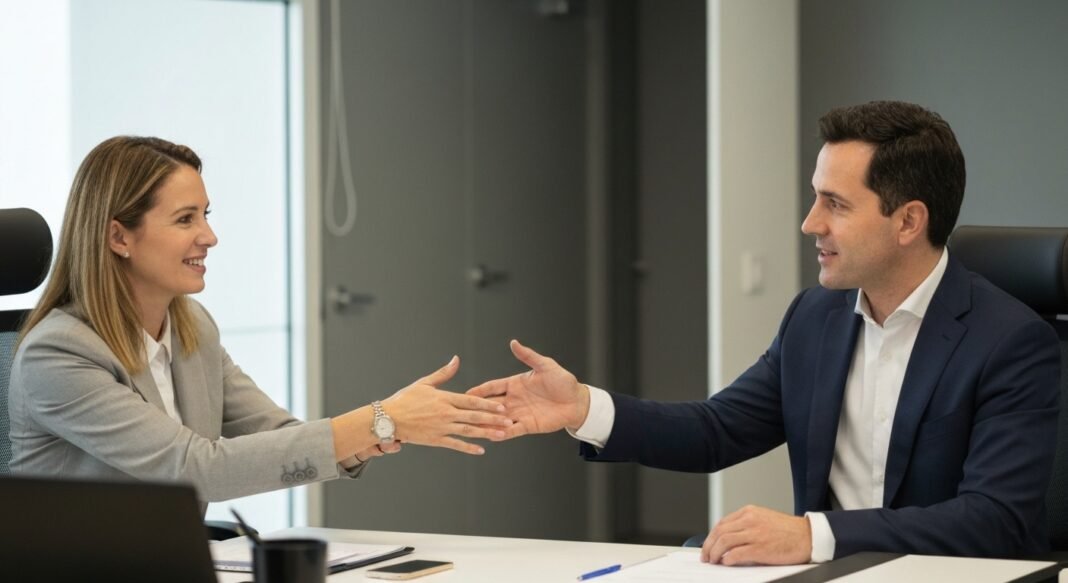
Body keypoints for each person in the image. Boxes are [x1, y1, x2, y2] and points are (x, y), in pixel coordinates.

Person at [469, 101, 1060, 564]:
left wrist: (812, 535)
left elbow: (993, 519)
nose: (810, 223)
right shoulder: (815, 319)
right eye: (814, 198)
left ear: (908, 220)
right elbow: (716, 431)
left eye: (835, 204)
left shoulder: (1010, 341)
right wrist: (582, 407)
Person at [9, 136, 512, 507]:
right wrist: (381, 417)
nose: (209, 236)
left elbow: (275, 432)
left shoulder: (192, 328)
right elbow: (192, 470)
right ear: (119, 237)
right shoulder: (59, 354)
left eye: (206, 214)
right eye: (186, 219)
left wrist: (380, 431)